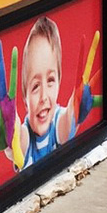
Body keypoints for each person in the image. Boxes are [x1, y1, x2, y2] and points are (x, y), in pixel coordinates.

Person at [16, 16, 95, 169]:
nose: (44, 97)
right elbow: (18, 141)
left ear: (59, 82)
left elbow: (66, 124)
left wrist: (76, 106)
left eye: (50, 80)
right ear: (25, 98)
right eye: (35, 86)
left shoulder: (57, 120)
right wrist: (9, 130)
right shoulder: (26, 136)